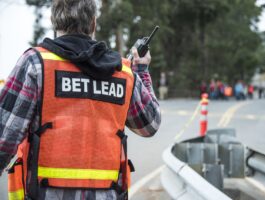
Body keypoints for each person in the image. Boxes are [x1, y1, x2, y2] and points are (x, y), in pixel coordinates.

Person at [0, 0, 161, 199]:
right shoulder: (123, 72)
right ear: (93, 23)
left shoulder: (36, 64)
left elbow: (4, 139)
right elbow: (149, 124)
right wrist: (142, 70)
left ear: (53, 21)